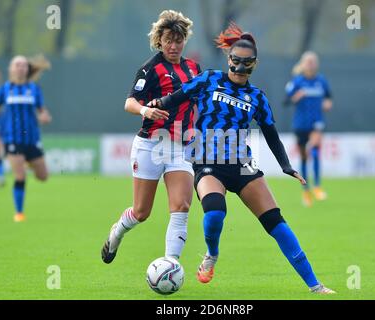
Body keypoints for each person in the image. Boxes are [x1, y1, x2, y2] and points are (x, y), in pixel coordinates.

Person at [150, 23, 335, 294]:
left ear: (254, 64)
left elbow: (271, 135)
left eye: (246, 63)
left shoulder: (257, 97)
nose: (239, 68)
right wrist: (156, 105)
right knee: (215, 212)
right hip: (207, 162)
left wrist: (286, 166)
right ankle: (211, 255)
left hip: (242, 165)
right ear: (229, 60)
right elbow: (177, 97)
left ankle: (315, 285)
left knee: (276, 223)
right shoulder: (209, 80)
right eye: (236, 61)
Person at [101, 10, 201, 263]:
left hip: (180, 147)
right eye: (168, 40)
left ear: (184, 40)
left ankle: (171, 265)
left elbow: (199, 103)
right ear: (159, 40)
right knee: (141, 212)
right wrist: (146, 110)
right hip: (151, 145)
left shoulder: (193, 68)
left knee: (181, 208)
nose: (174, 46)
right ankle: (117, 232)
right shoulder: (150, 68)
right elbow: (129, 103)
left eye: (178, 40)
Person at [0, 55, 52, 222]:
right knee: (20, 176)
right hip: (12, 139)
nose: (20, 67)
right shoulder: (5, 89)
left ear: (27, 69)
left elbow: (42, 111)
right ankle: (19, 213)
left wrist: (45, 117)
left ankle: (27, 162)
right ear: (11, 69)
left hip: (32, 139)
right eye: (17, 64)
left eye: (23, 65)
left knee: (43, 177)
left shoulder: (34, 89)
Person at [285, 51, 333, 207]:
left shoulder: (321, 81)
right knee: (304, 158)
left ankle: (317, 187)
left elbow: (329, 97)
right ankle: (306, 191)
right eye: (308, 62)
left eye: (313, 61)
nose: (311, 64)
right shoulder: (297, 82)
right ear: (303, 64)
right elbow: (286, 101)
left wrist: (327, 103)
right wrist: (295, 97)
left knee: (314, 150)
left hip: (316, 123)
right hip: (300, 125)